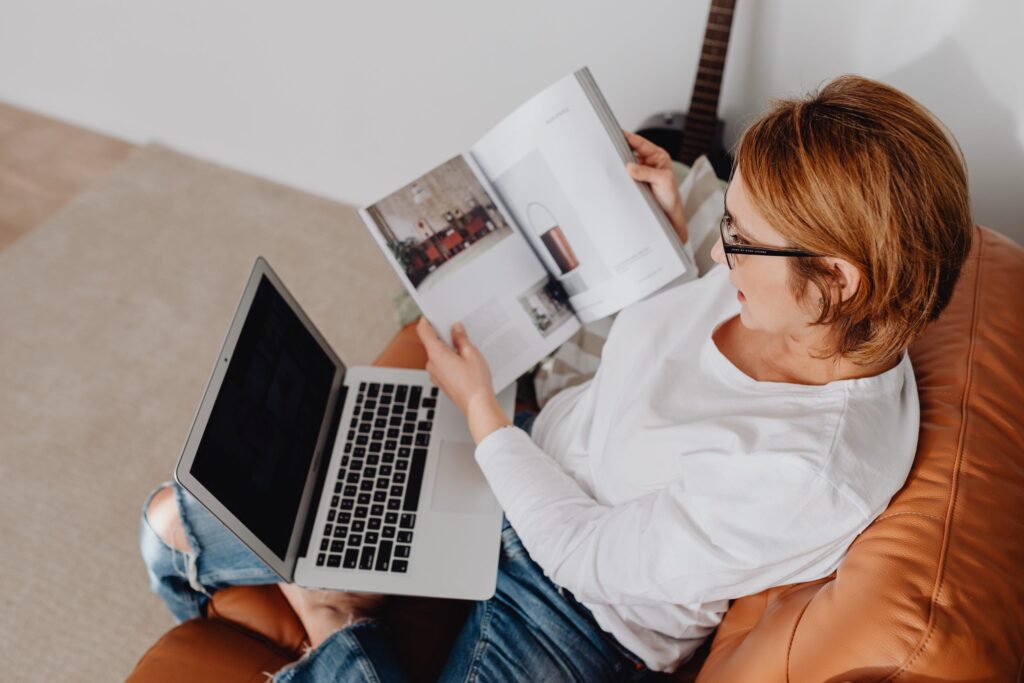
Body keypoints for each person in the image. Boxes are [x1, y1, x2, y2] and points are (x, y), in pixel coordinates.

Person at [140, 75, 973, 681]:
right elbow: (681, 357)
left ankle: (335, 633)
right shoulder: (798, 304)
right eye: (727, 220)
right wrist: (669, 235)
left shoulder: (808, 473)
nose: (721, 255)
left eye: (741, 238)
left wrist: (479, 409)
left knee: (298, 564)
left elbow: (586, 555)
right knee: (172, 522)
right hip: (530, 460)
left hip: (579, 612)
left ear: (840, 276)